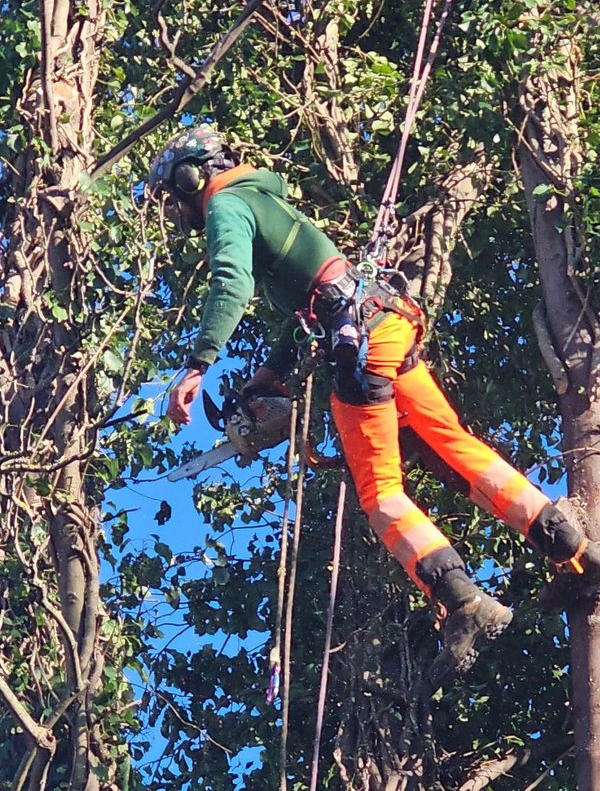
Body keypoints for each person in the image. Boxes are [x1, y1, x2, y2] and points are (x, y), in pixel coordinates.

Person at [149, 124, 600, 685]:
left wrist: (198, 365)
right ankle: (577, 554)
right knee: (458, 449)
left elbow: (230, 282)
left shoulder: (225, 207)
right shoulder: (263, 200)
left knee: (381, 494)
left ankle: (464, 603)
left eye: (175, 194)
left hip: (359, 348)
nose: (179, 212)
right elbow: (309, 307)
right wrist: (268, 375)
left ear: (193, 177)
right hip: (384, 326)